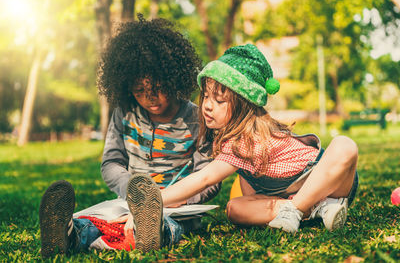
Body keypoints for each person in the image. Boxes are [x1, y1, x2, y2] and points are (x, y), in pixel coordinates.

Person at [39, 16, 220, 258]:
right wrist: (133, 194)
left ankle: (155, 232)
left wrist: (181, 199)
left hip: (179, 207)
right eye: (140, 91)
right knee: (99, 221)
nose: (150, 97)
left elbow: (209, 178)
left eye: (158, 88)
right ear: (126, 86)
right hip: (128, 202)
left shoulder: (197, 120)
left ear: (173, 78)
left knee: (173, 224)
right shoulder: (123, 113)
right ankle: (68, 233)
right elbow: (111, 163)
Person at [131, 43, 359, 235]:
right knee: (235, 208)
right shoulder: (229, 139)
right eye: (206, 96)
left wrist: (156, 199)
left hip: (328, 180)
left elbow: (205, 178)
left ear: (243, 106)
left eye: (220, 101)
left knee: (344, 145)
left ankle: (298, 208)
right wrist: (174, 198)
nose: (208, 105)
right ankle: (316, 209)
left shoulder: (247, 138)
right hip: (284, 193)